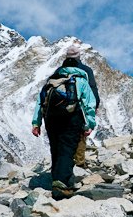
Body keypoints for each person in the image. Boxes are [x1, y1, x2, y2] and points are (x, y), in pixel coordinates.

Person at [31, 47, 97, 200]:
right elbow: (89, 104)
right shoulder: (81, 81)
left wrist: (36, 123)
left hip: (50, 120)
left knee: (56, 149)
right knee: (68, 149)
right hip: (71, 118)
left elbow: (39, 103)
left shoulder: (51, 82)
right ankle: (62, 185)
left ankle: (56, 180)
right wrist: (90, 124)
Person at [58, 45, 100, 167]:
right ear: (79, 56)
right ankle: (80, 162)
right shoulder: (86, 70)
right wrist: (95, 105)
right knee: (81, 133)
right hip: (79, 107)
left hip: (62, 108)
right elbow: (92, 89)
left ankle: (64, 162)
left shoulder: (60, 71)